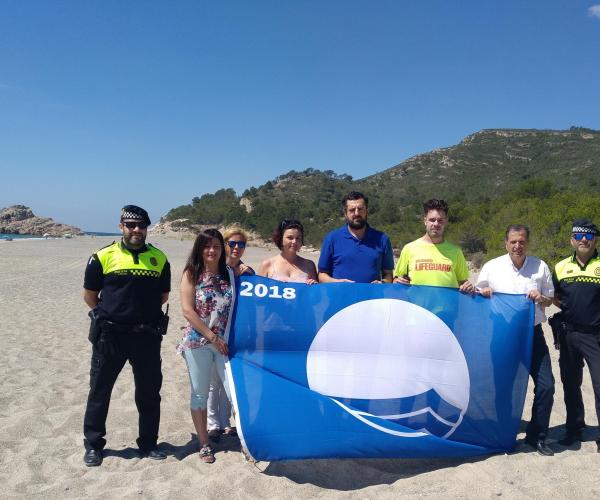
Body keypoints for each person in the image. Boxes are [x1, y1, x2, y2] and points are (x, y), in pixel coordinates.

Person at [82, 205, 171, 467]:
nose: (136, 230)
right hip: (110, 337)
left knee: (149, 393)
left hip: (146, 337)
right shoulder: (102, 256)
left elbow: (163, 296)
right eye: (131, 225)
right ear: (121, 226)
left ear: (147, 228)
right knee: (100, 391)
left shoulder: (159, 258)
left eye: (141, 226)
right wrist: (112, 315)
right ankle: (94, 445)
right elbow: (90, 296)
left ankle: (148, 443)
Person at [477, 224, 555, 456]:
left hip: (533, 335)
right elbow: (478, 297)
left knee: (546, 386)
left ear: (527, 243)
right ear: (506, 243)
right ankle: (503, 435)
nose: (517, 246)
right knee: (503, 387)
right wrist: (485, 293)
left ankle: (536, 436)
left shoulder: (540, 266)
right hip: (502, 336)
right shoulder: (492, 267)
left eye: (521, 241)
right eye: (513, 242)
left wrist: (540, 298)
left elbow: (550, 300)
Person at [178, 228, 235, 463]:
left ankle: (245, 437)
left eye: (217, 246)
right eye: (207, 246)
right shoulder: (192, 273)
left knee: (234, 392)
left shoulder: (229, 273)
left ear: (222, 250)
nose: (212, 250)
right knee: (200, 394)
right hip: (198, 342)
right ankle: (204, 443)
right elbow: (187, 311)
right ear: (200, 249)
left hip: (226, 343)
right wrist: (212, 337)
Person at [552, 219, 600, 451]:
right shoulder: (560, 267)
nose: (584, 240)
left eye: (589, 236)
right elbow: (556, 298)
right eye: (580, 236)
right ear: (572, 239)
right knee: (570, 384)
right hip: (569, 334)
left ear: (595, 240)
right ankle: (574, 429)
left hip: (596, 336)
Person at [206, 227, 253, 441]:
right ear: (225, 244)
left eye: (241, 244)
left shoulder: (245, 272)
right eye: (232, 243)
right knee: (213, 382)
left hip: (232, 332)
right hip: (211, 331)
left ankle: (225, 423)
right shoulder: (217, 268)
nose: (236, 248)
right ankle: (212, 424)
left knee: (229, 380)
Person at [393, 199, 474, 292]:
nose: (436, 224)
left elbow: (463, 282)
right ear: (425, 221)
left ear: (446, 221)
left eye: (440, 220)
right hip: (416, 306)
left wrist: (468, 287)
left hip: (446, 306)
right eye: (432, 220)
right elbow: (396, 279)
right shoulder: (409, 249)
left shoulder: (456, 251)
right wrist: (396, 281)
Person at [318, 192, 394, 283]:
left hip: (373, 296)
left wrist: (383, 283)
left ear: (366, 211)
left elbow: (388, 273)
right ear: (345, 213)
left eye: (360, 209)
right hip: (340, 296)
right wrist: (337, 282)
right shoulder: (331, 239)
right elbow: (322, 275)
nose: (357, 213)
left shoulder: (382, 239)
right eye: (352, 210)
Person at [259, 219, 318, 284]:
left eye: (298, 238)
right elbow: (258, 291)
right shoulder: (267, 264)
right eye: (290, 238)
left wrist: (314, 284)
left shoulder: (309, 265)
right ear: (280, 239)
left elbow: (316, 292)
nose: (294, 241)